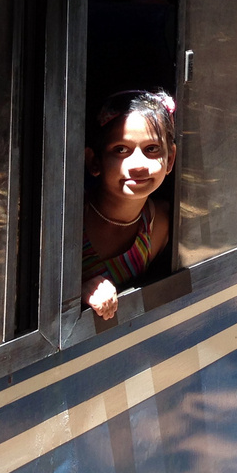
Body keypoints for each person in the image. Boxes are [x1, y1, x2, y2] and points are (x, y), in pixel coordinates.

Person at [82, 89, 176, 319]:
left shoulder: (160, 224)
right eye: (121, 150)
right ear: (94, 162)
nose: (138, 165)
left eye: (151, 149)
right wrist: (78, 291)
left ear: (170, 159)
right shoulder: (70, 220)